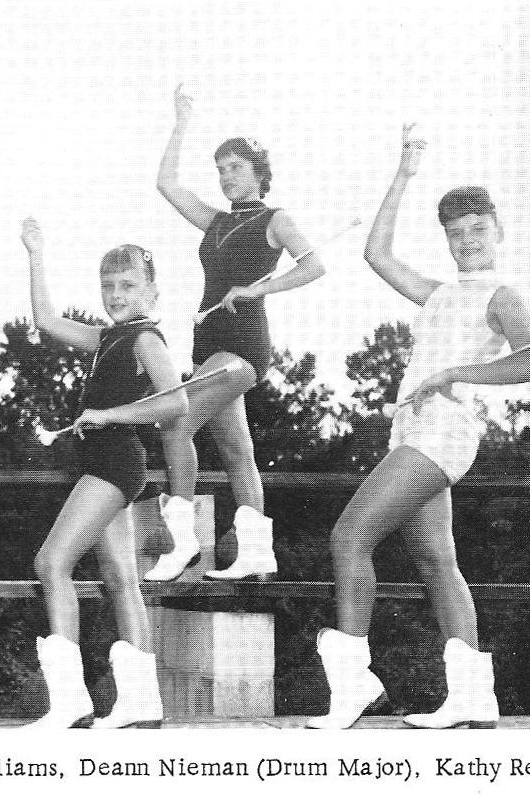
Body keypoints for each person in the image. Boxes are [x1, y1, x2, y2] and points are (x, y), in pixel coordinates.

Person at [308, 126, 530, 729]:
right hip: (412, 431)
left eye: (478, 230)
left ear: (499, 231)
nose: (467, 242)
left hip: (443, 431)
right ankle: (473, 696)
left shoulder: (502, 295)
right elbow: (376, 254)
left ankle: (353, 684)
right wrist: (404, 174)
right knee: (437, 560)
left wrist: (454, 373)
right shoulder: (441, 293)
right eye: (457, 233)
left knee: (350, 537)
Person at [151, 84, 327, 582]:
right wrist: (182, 120)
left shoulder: (276, 219)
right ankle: (256, 553)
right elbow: (166, 183)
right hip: (208, 345)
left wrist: (256, 289)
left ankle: (183, 542)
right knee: (236, 451)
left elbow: (315, 266)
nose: (227, 176)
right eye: (221, 169)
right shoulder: (214, 221)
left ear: (259, 173)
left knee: (176, 420)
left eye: (236, 167)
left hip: (243, 346)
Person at [18, 217, 188, 729]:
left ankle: (70, 702)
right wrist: (35, 252)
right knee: (121, 580)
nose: (116, 295)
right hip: (104, 464)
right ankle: (142, 702)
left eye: (128, 286)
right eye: (108, 286)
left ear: (152, 291)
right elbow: (47, 319)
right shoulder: (109, 337)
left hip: (115, 464)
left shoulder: (146, 340)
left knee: (51, 563)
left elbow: (176, 403)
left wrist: (109, 415)